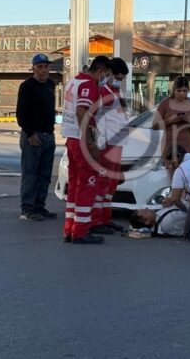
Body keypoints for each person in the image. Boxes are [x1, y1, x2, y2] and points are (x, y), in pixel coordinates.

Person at [60, 55, 112, 244]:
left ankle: (70, 229)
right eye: (105, 75)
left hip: (71, 138)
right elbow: (82, 111)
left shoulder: (73, 81)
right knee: (87, 186)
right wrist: (90, 142)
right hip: (81, 141)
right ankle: (81, 231)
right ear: (101, 71)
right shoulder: (89, 84)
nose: (105, 79)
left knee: (74, 187)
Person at [15, 53, 58, 221]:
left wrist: (52, 131)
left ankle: (40, 207)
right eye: (40, 67)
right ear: (33, 68)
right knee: (30, 174)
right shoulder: (27, 86)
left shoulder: (50, 84)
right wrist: (30, 133)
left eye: (46, 66)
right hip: (32, 136)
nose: (43, 70)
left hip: (48, 135)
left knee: (45, 175)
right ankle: (27, 209)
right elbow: (21, 114)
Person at [91, 57, 130, 235]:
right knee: (103, 182)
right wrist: (100, 142)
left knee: (112, 183)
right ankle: (96, 220)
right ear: (109, 73)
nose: (119, 81)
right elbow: (98, 118)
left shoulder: (114, 91)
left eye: (121, 79)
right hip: (107, 143)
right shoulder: (102, 90)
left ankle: (105, 219)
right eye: (118, 77)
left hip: (117, 142)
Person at [151, 76, 190, 169]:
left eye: (184, 91)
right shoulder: (165, 103)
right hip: (170, 147)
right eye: (179, 90)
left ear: (188, 91)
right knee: (174, 178)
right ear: (174, 90)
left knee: (189, 177)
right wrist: (170, 120)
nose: (182, 94)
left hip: (188, 147)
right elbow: (154, 126)